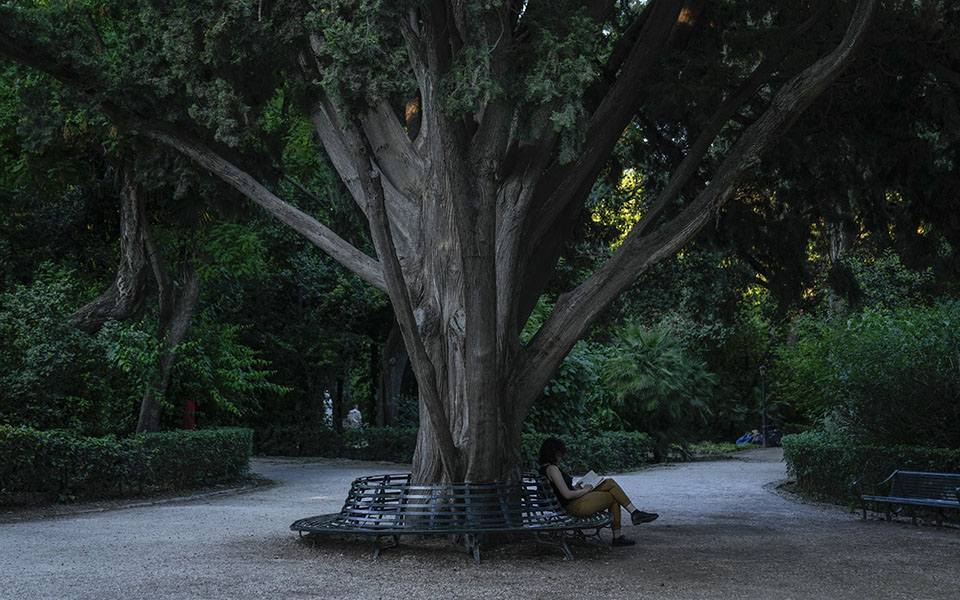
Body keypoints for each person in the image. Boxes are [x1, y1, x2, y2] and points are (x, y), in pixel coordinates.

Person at [538, 437, 658, 547]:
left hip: (570, 503)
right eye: (559, 453)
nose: (561, 457)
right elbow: (566, 495)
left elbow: (561, 491)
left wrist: (577, 488)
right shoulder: (552, 469)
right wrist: (585, 490)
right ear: (553, 453)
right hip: (572, 506)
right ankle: (623, 529)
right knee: (614, 496)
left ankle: (635, 513)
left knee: (609, 482)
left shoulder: (546, 469)